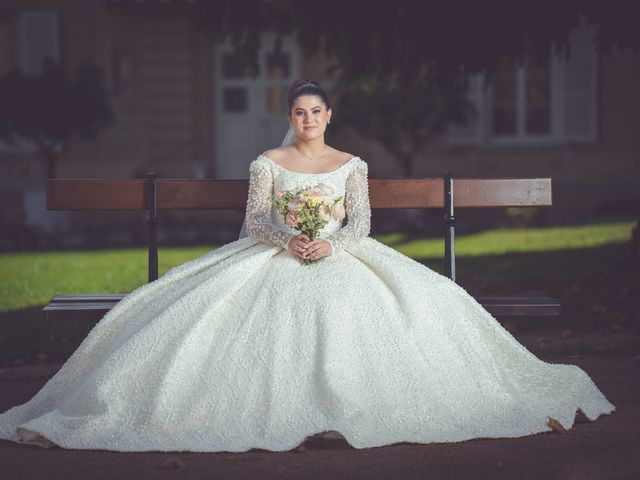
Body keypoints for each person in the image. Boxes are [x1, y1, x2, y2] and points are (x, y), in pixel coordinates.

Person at [0, 79, 614, 453]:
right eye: (298, 112)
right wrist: (289, 241)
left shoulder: (352, 164)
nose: (308, 120)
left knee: (375, 306)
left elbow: (363, 224)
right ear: (288, 117)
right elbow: (256, 221)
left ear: (329, 116)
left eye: (316, 112)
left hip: (341, 253)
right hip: (276, 252)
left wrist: (331, 244)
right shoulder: (267, 160)